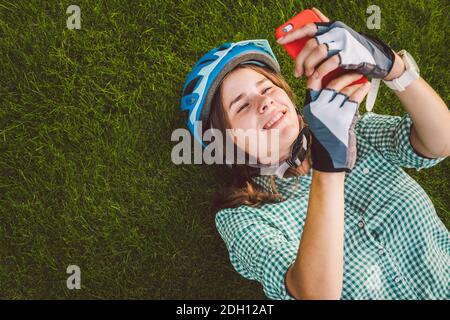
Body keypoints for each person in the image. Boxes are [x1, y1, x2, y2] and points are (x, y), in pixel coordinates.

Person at [180, 8, 450, 299]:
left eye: (267, 88)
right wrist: (330, 164)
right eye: (241, 106)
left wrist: (392, 68)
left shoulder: (355, 130)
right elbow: (315, 296)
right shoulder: (242, 218)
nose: (265, 102)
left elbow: (440, 143)